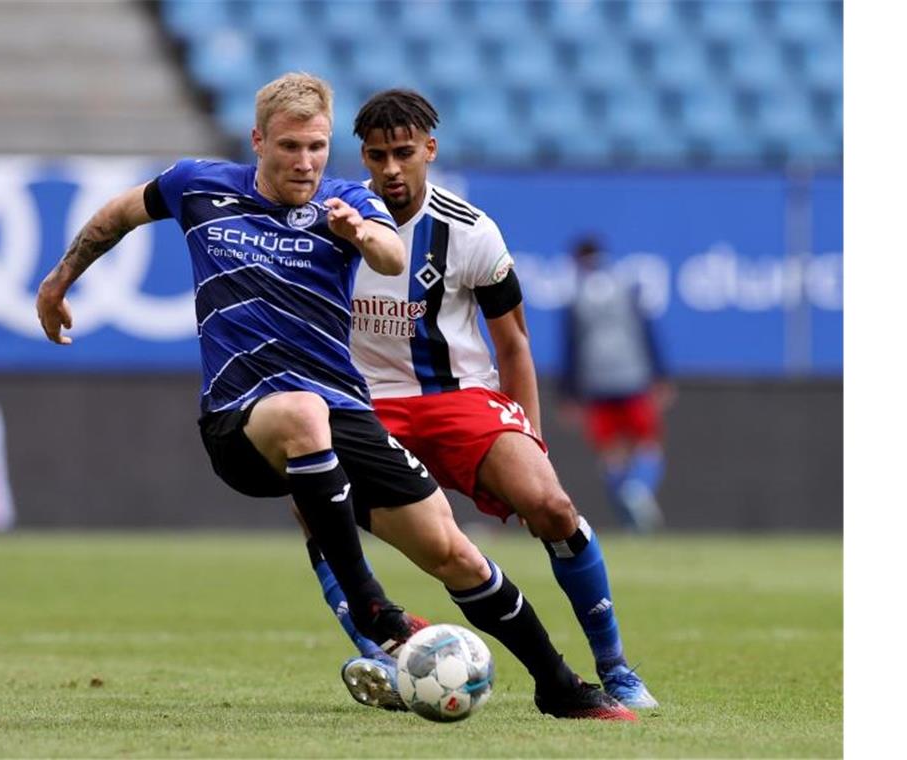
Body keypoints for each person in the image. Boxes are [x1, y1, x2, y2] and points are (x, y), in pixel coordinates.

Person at [35, 73, 633, 721]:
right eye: (290, 146)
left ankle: (560, 686)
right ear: (258, 140)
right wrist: (60, 279)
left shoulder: (349, 203)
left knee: (453, 551)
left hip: (347, 417)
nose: (305, 161)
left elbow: (382, 253)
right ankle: (372, 610)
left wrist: (358, 231)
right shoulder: (198, 185)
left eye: (317, 146)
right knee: (301, 412)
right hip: (242, 420)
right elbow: (119, 213)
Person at [300, 89, 658, 712]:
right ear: (362, 156)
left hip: (458, 397)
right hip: (367, 406)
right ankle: (379, 648)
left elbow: (514, 344)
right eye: (378, 156)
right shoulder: (330, 221)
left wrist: (531, 438)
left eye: (404, 153)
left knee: (551, 507)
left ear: (429, 151)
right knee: (313, 506)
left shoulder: (470, 231)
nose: (391, 169)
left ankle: (616, 665)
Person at [558, 236, 673, 534]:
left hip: (595, 383)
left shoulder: (576, 296)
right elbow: (648, 333)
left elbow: (570, 347)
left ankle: (629, 509)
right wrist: (661, 375)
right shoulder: (627, 288)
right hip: (633, 378)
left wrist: (567, 394)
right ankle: (638, 487)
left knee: (611, 452)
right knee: (647, 444)